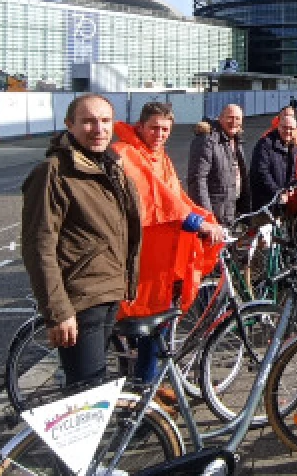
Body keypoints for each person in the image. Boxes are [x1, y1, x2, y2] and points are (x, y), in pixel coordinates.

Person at [20, 94, 142, 388]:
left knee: (92, 392)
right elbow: (39, 246)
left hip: (109, 292)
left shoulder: (109, 166)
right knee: (87, 397)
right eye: (88, 121)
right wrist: (58, 312)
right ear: (69, 125)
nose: (98, 129)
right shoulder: (54, 172)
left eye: (104, 121)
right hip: (81, 298)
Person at [111, 102, 224, 386]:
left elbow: (176, 198)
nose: (160, 134)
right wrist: (198, 224)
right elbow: (155, 202)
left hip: (158, 257)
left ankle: (148, 385)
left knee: (156, 323)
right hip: (140, 256)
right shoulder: (126, 154)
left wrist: (206, 218)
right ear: (140, 126)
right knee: (148, 321)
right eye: (154, 128)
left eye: (165, 129)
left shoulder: (158, 156)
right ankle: (143, 391)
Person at [187, 103, 250, 229]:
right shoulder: (207, 140)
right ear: (220, 118)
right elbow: (197, 180)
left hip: (230, 213)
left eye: (238, 118)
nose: (234, 121)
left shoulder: (235, 141)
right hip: (214, 217)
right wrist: (207, 218)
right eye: (230, 117)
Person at [249, 113, 297, 211]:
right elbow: (261, 172)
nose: (288, 131)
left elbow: (292, 175)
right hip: (265, 202)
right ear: (278, 127)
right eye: (285, 127)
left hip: (282, 203)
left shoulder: (294, 149)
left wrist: (292, 188)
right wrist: (278, 193)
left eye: (291, 128)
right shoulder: (265, 144)